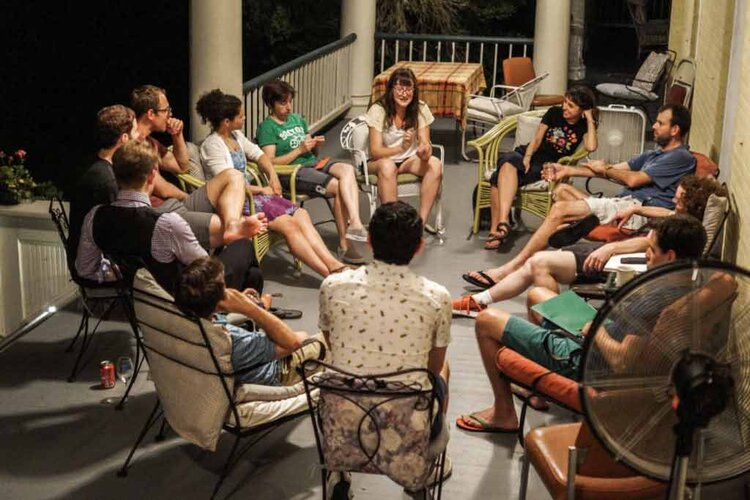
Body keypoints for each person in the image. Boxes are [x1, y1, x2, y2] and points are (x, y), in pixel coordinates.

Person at [456, 215, 706, 433]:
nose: (646, 255)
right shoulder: (689, 283)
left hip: (587, 359)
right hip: (602, 332)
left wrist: (593, 331)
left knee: (487, 321)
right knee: (537, 296)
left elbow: (622, 361)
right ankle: (538, 392)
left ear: (670, 255)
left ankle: (503, 413)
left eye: (651, 249)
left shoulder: (657, 300)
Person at [463, 103, 696, 289]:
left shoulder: (680, 157)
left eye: (659, 123)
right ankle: (581, 223)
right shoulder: (654, 153)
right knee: (562, 190)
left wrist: (605, 169)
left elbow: (632, 179)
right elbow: (617, 169)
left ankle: (508, 269)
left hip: (636, 209)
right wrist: (567, 170)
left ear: (675, 130)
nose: (653, 126)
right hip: (623, 203)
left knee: (560, 209)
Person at [318, 201, 452, 494]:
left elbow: (331, 343)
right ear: (418, 247)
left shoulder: (332, 285)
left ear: (369, 240)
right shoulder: (436, 296)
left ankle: (339, 475)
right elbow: (433, 367)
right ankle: (422, 464)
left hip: (342, 421)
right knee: (445, 369)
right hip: (403, 426)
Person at [453, 175, 727, 315]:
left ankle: (554, 325)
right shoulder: (681, 221)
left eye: (679, 200)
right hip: (622, 255)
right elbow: (666, 215)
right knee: (535, 264)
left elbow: (646, 241)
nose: (674, 203)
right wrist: (640, 211)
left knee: (540, 264)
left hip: (622, 263)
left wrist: (609, 248)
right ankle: (481, 300)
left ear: (693, 205)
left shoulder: (680, 233)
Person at [76, 140, 267, 294]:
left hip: (145, 299)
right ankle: (245, 321)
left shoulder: (95, 216)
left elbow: (85, 270)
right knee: (243, 247)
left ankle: (249, 315)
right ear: (152, 177)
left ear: (116, 177)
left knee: (253, 274)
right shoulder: (165, 223)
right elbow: (210, 274)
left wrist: (131, 276)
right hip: (185, 301)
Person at [195, 89, 346, 278]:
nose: (244, 119)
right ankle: (329, 275)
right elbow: (229, 187)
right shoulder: (213, 146)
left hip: (255, 195)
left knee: (301, 213)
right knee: (290, 225)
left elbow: (260, 156)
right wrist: (262, 188)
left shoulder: (236, 137)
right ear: (227, 122)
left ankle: (334, 264)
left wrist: (273, 177)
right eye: (241, 116)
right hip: (238, 203)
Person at [131, 85, 261, 248]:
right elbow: (162, 189)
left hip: (174, 205)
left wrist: (177, 135)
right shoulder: (132, 146)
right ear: (151, 114)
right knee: (244, 231)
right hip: (159, 214)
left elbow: (182, 167)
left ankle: (232, 225)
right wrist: (187, 198)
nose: (170, 115)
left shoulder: (151, 142)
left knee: (233, 175)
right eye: (166, 110)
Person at [257, 79, 368, 264]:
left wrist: (315, 145)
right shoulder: (267, 127)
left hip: (312, 163)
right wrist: (299, 150)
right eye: (283, 103)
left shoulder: (297, 119)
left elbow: (311, 151)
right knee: (337, 187)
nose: (289, 107)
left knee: (347, 169)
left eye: (290, 101)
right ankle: (345, 244)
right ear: (271, 104)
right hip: (292, 171)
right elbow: (270, 163)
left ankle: (355, 223)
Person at [174, 257, 324, 386]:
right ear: (219, 304)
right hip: (278, 373)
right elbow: (294, 342)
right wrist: (251, 309)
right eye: (225, 288)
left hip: (244, 361)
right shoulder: (232, 342)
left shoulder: (186, 323)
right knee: (315, 337)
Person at [485, 86, 598, 250]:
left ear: (583, 110)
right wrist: (527, 157)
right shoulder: (553, 113)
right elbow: (536, 139)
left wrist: (589, 119)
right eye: (565, 102)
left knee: (497, 178)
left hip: (548, 166)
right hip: (529, 155)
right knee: (509, 160)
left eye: (571, 106)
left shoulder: (582, 126)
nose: (565, 107)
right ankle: (503, 221)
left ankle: (496, 230)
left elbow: (592, 146)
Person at [365, 68, 443, 225]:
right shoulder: (379, 110)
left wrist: (424, 151)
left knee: (435, 164)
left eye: (408, 89)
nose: (404, 94)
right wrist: (401, 147)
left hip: (408, 160)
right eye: (400, 89)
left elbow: (425, 144)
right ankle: (393, 224)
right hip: (380, 161)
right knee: (388, 166)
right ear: (391, 90)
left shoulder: (420, 109)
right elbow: (375, 151)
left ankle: (419, 224)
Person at [68, 105, 139, 271]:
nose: (139, 137)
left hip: (89, 254)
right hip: (97, 265)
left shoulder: (93, 163)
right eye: (135, 132)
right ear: (124, 138)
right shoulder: (107, 180)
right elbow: (114, 238)